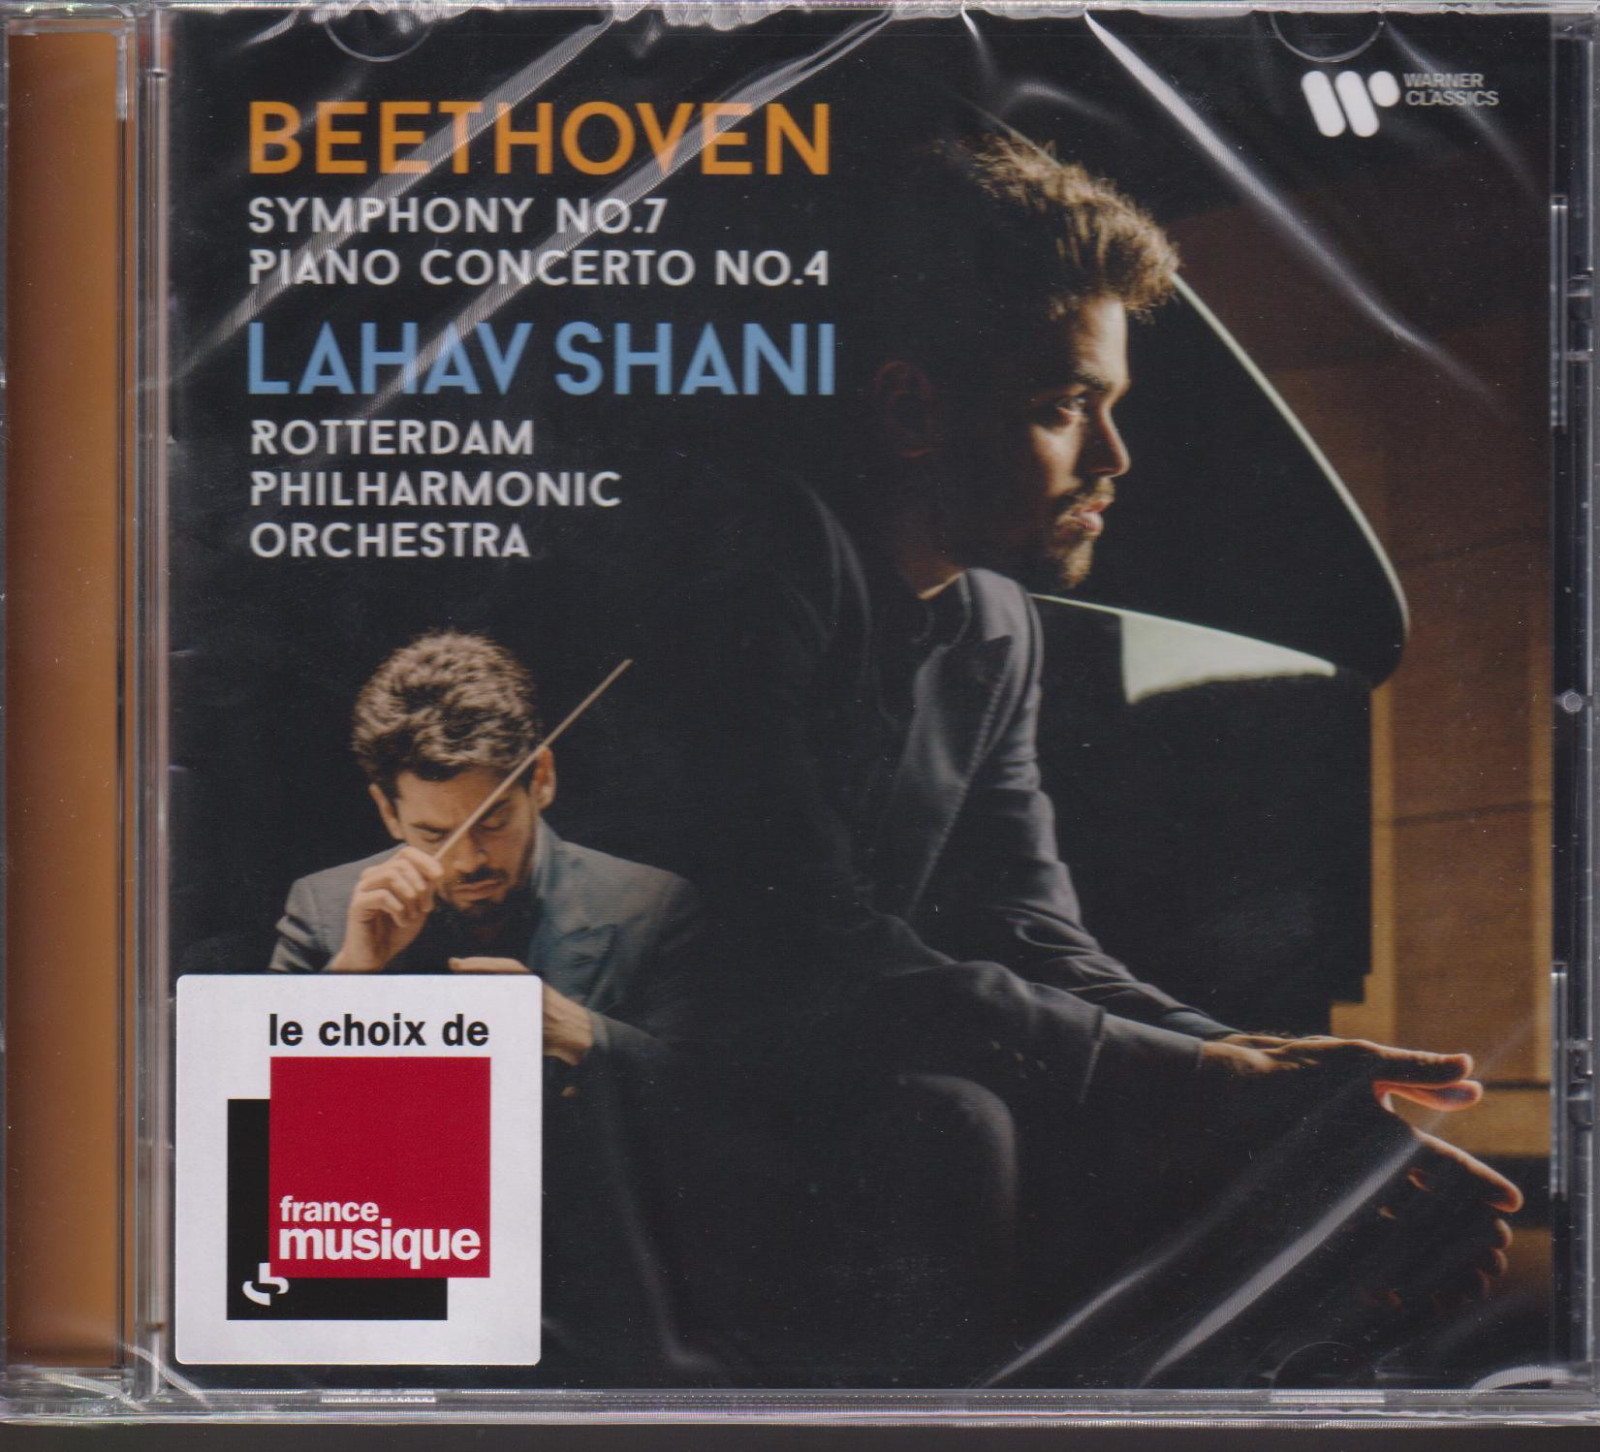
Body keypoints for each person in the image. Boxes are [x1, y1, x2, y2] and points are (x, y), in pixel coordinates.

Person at [652, 136, 1520, 1380]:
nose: (1114, 457)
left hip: (820, 1061)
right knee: (952, 1122)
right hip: (652, 1060)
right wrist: (1205, 1076)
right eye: (1065, 407)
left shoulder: (996, 625)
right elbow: (804, 946)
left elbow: (1029, 932)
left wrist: (1256, 1066)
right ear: (911, 410)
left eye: (1111, 405)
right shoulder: (759, 559)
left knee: (1294, 1179)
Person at [269, 631, 725, 1383]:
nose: (472, 859)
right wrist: (352, 976)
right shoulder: (324, 912)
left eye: (493, 819)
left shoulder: (651, 908)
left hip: (598, 1314)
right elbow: (264, 1154)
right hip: (395, 1307)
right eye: (434, 834)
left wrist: (576, 1033)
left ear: (539, 778)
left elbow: (718, 1126)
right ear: (387, 811)